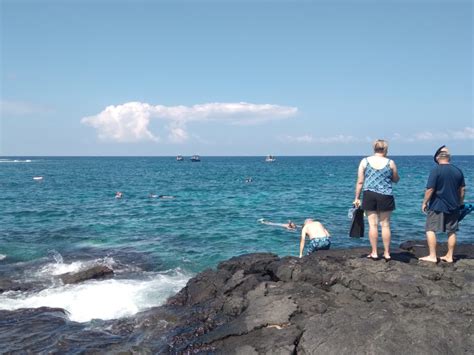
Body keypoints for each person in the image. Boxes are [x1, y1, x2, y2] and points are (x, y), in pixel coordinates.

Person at [353, 139, 400, 261]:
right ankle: (387, 253)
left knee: (372, 225)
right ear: (385, 149)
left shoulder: (365, 161)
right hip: (386, 195)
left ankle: (374, 252)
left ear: (374, 148)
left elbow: (360, 181)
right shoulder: (390, 163)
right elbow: (396, 179)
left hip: (369, 194)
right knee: (385, 225)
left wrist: (357, 198)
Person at [419, 146, 465, 263]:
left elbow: (430, 189)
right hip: (454, 205)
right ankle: (449, 256)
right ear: (449, 158)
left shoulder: (436, 170)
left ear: (438, 158)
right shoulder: (458, 170)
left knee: (430, 229)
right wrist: (460, 202)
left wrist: (424, 202)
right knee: (452, 231)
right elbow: (462, 190)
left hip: (437, 205)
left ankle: (432, 256)